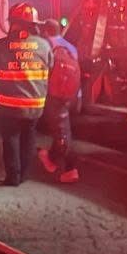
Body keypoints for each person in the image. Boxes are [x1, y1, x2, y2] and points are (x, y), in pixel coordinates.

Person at [0, 2, 53, 186]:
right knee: (28, 137)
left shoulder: (1, 46)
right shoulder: (44, 46)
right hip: (35, 105)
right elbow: (51, 67)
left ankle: (13, 177)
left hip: (9, 104)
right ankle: (24, 175)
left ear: (14, 23)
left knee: (11, 138)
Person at [37, 18, 81, 183]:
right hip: (72, 94)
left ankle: (69, 168)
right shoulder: (70, 47)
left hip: (55, 94)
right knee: (62, 129)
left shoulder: (46, 46)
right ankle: (52, 159)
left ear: (45, 31)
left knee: (61, 132)